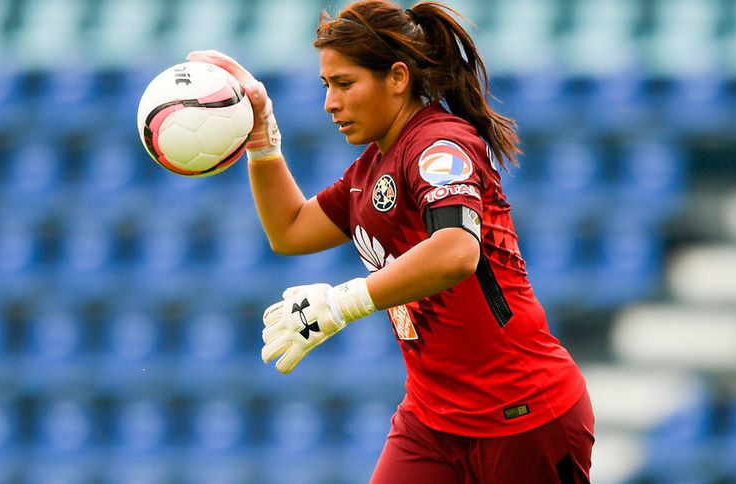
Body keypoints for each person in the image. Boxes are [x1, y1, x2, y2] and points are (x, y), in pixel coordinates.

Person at [188, 1, 594, 482]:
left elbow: (457, 250)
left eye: (344, 84)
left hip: (522, 414)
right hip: (431, 420)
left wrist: (344, 302)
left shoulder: (439, 145)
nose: (330, 103)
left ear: (398, 77)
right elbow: (291, 229)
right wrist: (261, 136)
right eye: (325, 85)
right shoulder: (369, 170)